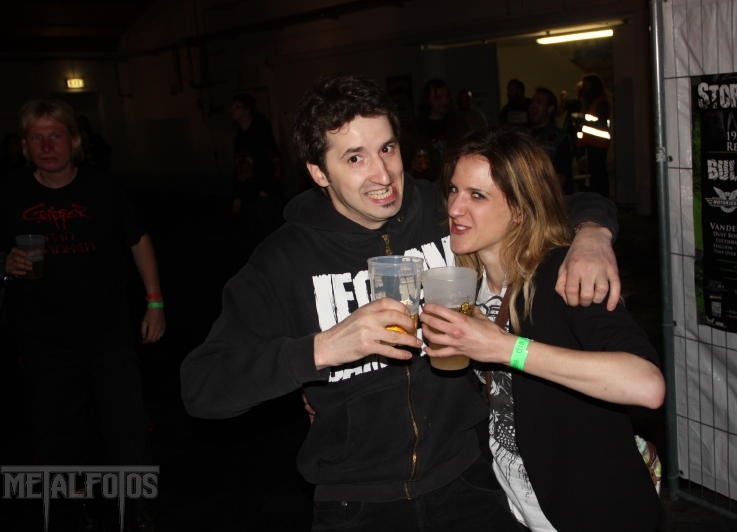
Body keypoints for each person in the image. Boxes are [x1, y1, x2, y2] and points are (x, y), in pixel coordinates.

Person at [180, 74, 621, 532]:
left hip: (468, 479)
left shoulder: (442, 210)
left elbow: (539, 203)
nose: (383, 175)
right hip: (357, 502)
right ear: (318, 172)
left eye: (387, 148)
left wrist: (592, 233)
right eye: (355, 158)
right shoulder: (284, 260)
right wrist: (322, 349)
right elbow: (202, 385)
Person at [419, 126, 665, 531]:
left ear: (519, 209)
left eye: (477, 196)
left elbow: (646, 385)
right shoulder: (464, 283)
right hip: (516, 510)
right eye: (453, 190)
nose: (455, 208)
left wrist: (507, 349)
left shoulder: (564, 276)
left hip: (591, 510)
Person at [0, 98, 164, 529]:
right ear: (24, 145)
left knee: (125, 422)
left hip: (107, 329)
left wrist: (154, 302)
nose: (46, 146)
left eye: (55, 135)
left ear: (74, 141)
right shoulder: (11, 192)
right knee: (56, 427)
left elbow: (138, 241)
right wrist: (5, 263)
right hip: (42, 334)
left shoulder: (103, 187)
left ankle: (138, 507)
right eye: (36, 138)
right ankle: (72, 507)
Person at [231, 92, 285, 247]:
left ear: (247, 110)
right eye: (233, 107)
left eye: (237, 107)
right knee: (256, 236)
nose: (233, 111)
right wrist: (238, 196)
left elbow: (273, 160)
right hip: (248, 193)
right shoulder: (239, 137)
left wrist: (267, 188)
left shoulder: (261, 132)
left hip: (263, 193)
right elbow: (239, 167)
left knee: (271, 235)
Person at [403, 78, 470, 181]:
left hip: (455, 180)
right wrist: (412, 166)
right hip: (425, 184)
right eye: (438, 97)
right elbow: (404, 162)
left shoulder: (458, 125)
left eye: (447, 96)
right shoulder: (414, 128)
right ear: (427, 100)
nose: (444, 101)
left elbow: (469, 151)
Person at [527, 87, 574, 195]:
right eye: (532, 102)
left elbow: (560, 178)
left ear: (550, 109)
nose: (533, 106)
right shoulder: (524, 137)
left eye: (539, 102)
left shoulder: (560, 138)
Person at [576, 74, 612, 197]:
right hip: (591, 142)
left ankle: (602, 197)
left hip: (599, 143)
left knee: (598, 173)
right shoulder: (590, 102)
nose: (584, 88)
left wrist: (582, 121)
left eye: (586, 85)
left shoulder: (601, 102)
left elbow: (600, 121)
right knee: (594, 173)